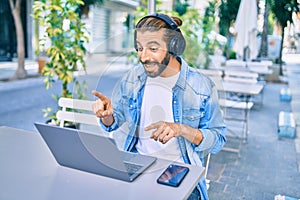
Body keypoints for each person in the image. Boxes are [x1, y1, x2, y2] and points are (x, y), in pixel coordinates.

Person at [92, 13, 226, 200]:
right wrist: (107, 116)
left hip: (178, 172)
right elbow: (116, 120)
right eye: (139, 48)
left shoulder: (201, 86)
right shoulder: (133, 78)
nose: (143, 57)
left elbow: (218, 139)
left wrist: (182, 130)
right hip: (137, 167)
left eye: (153, 48)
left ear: (174, 47)